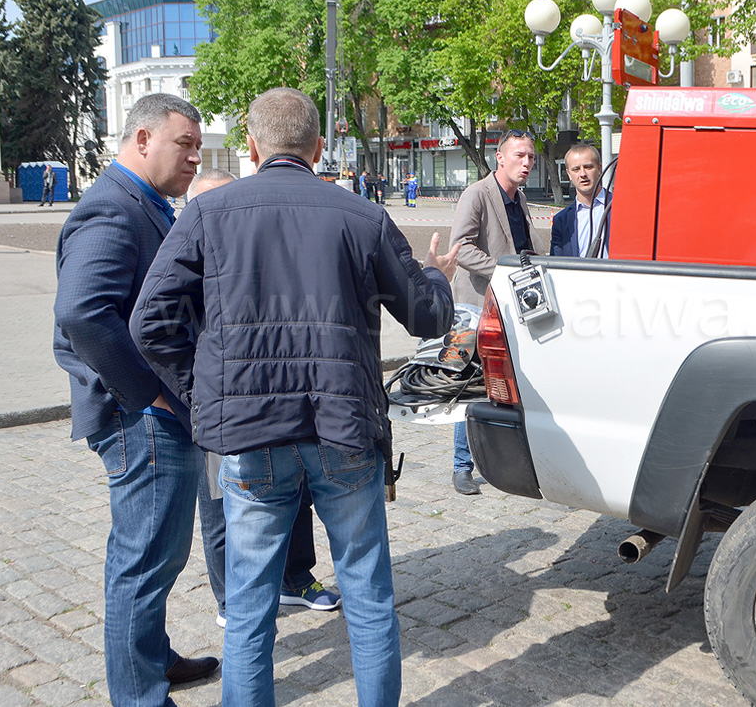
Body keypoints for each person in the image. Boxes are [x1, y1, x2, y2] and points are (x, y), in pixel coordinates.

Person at [130, 87, 459, 707]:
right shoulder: (358, 215)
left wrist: (202, 399)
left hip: (251, 437)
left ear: (252, 147)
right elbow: (426, 315)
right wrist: (436, 274)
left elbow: (150, 322)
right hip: (342, 431)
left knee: (250, 605)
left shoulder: (207, 214)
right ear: (317, 146)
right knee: (366, 594)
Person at [53, 93, 218, 706]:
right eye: (185, 144)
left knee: (161, 555)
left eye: (199, 146)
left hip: (149, 412)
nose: (195, 158)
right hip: (137, 417)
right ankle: (140, 696)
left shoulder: (144, 203)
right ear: (142, 138)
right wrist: (150, 395)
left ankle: (152, 657)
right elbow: (82, 313)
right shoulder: (113, 210)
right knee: (143, 563)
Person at [184, 168, 341, 628]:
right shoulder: (183, 251)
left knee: (295, 493)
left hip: (267, 402)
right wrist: (193, 392)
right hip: (218, 408)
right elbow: (157, 328)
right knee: (218, 508)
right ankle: (230, 601)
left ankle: (295, 578)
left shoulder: (245, 244)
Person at [447, 128, 544, 495]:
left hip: (509, 305)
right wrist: (505, 268)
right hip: (476, 305)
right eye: (520, 155)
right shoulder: (478, 194)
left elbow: (524, 249)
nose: (527, 163)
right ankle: (461, 467)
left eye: (531, 157)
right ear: (499, 157)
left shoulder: (518, 200)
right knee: (471, 385)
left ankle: (502, 462)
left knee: (505, 384)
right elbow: (461, 249)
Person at [550, 144, 610, 258]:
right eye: (576, 169)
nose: (583, 174)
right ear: (569, 174)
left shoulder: (621, 208)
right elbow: (556, 264)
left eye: (588, 167)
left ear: (599, 168)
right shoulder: (561, 221)